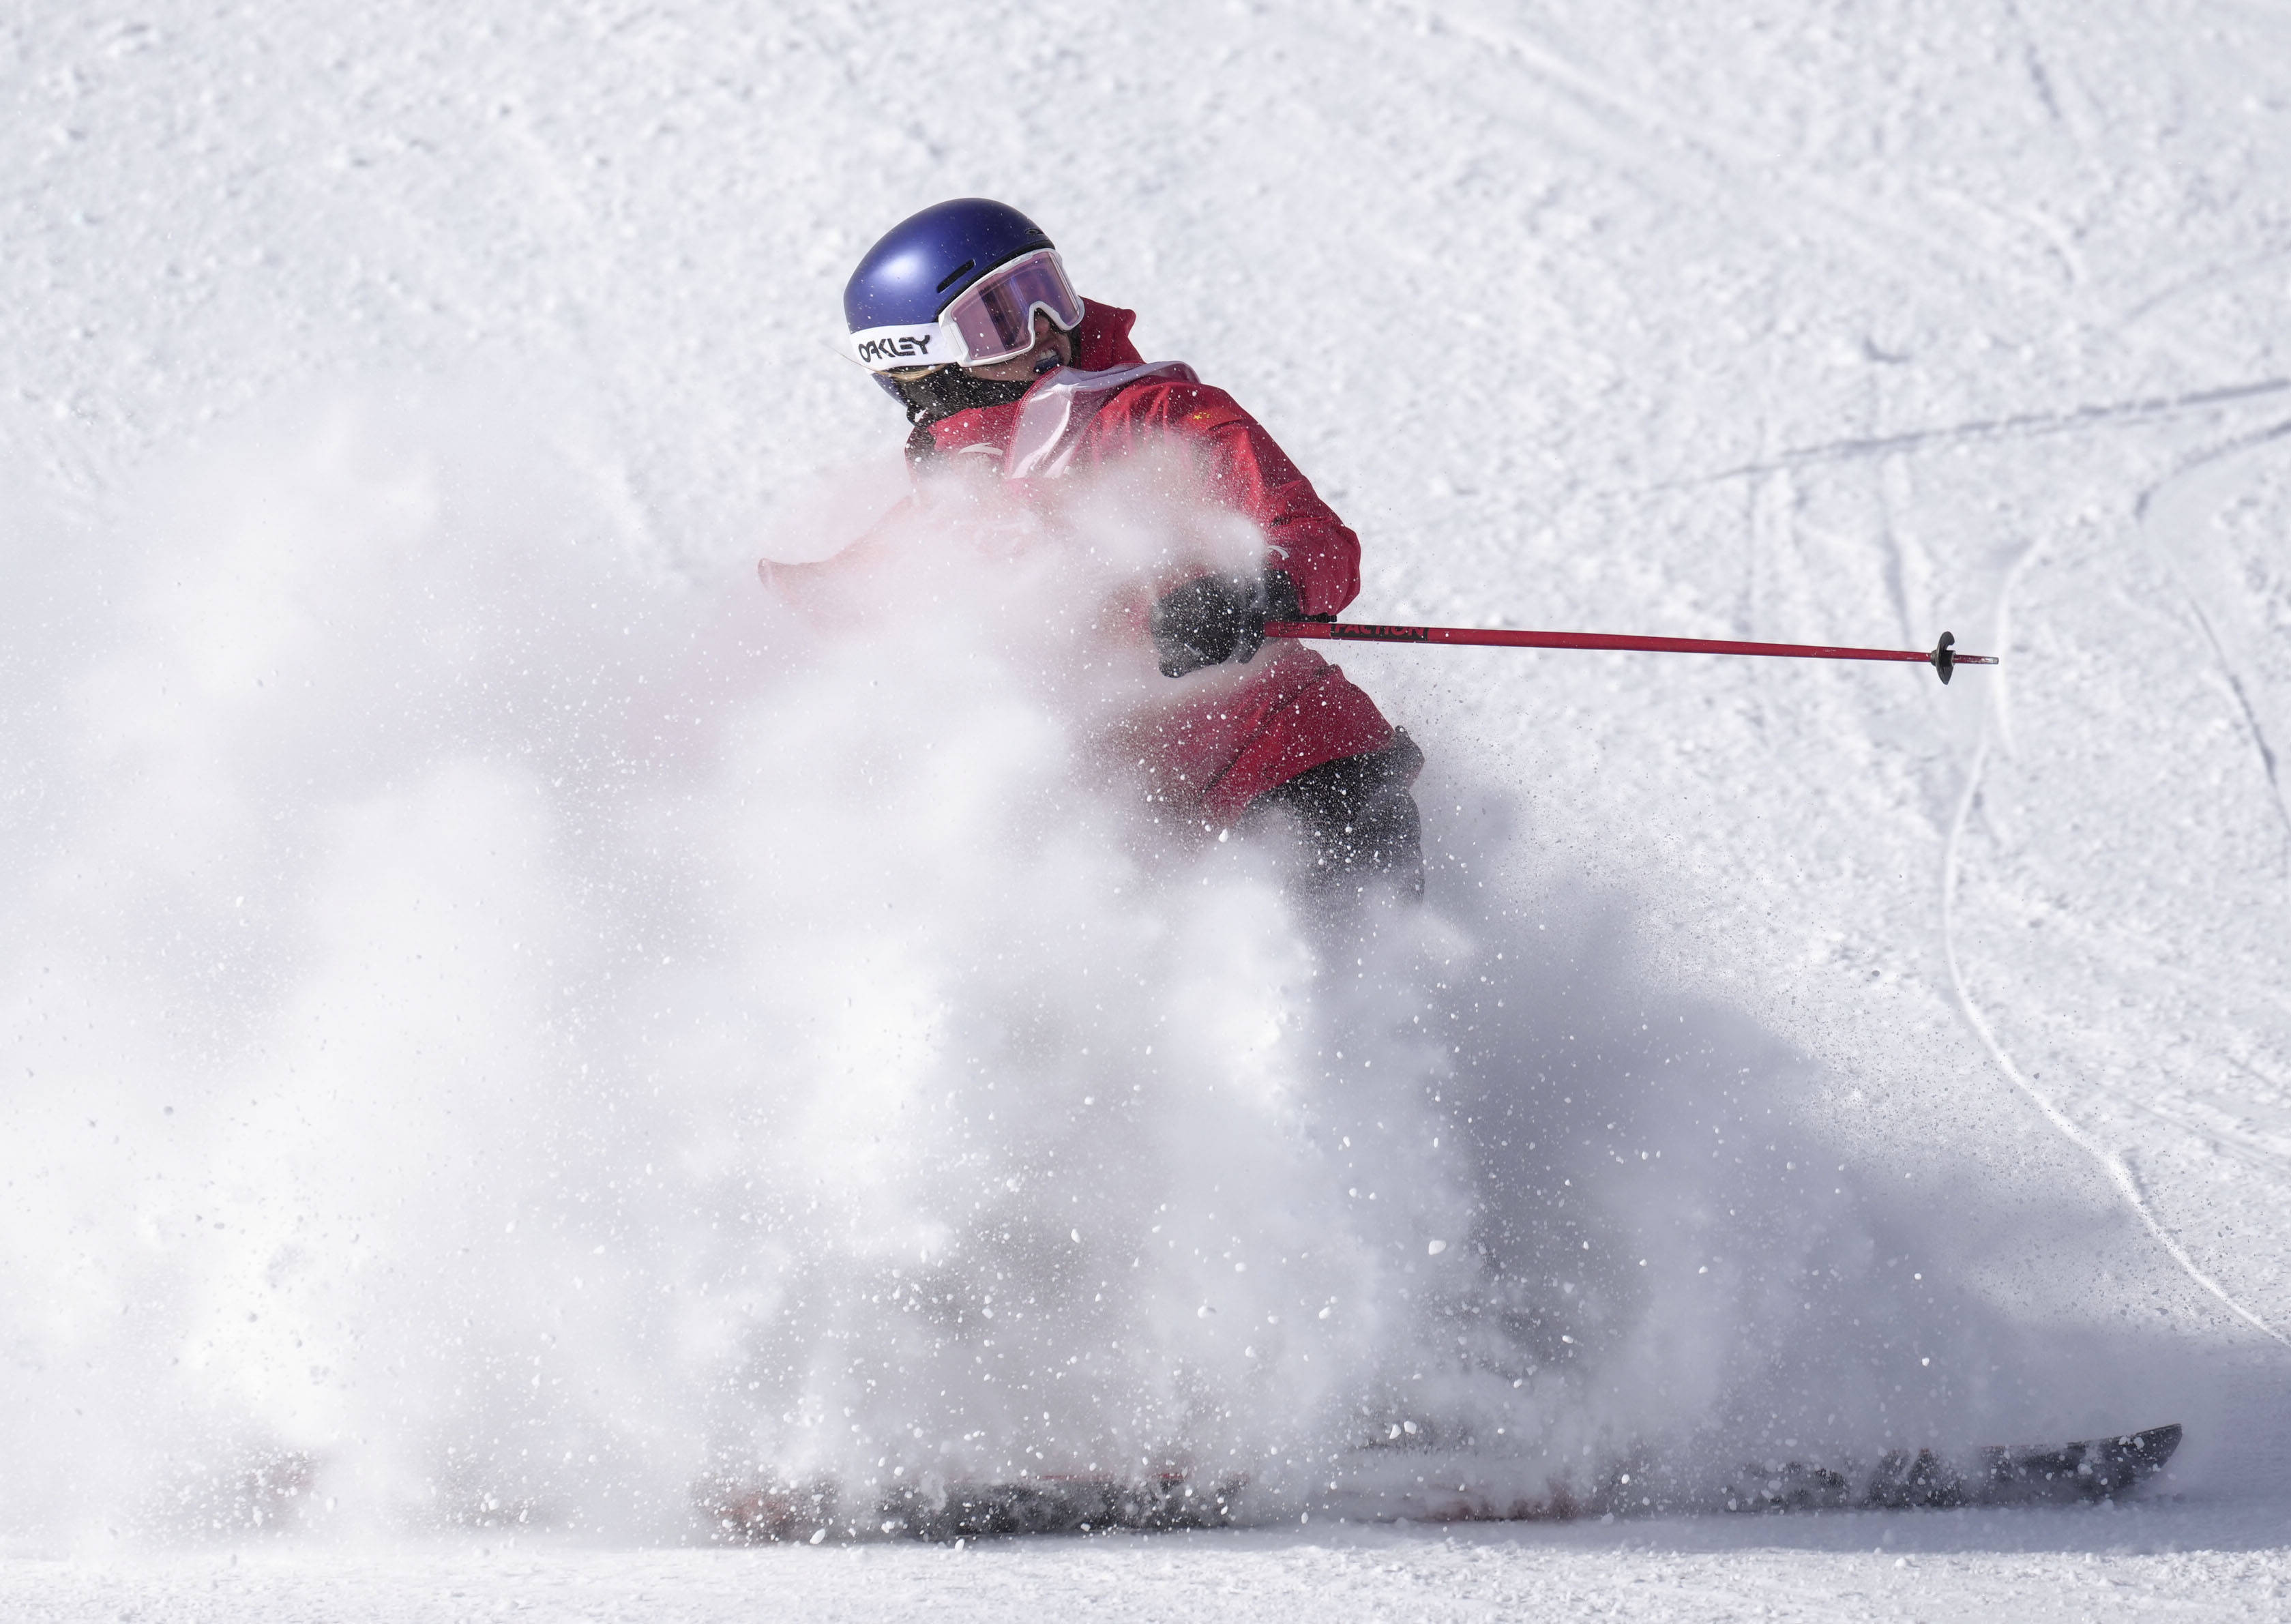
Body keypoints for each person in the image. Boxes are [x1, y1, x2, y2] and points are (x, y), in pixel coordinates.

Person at [834, 197, 1422, 904]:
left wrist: (1257, 589)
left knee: (1332, 995)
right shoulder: (938, 513)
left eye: (1045, 292)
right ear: (920, 361)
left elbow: (1317, 541)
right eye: (998, 319)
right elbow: (841, 610)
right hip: (1145, 827)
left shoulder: (1153, 416)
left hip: (1296, 761)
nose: (1044, 331)